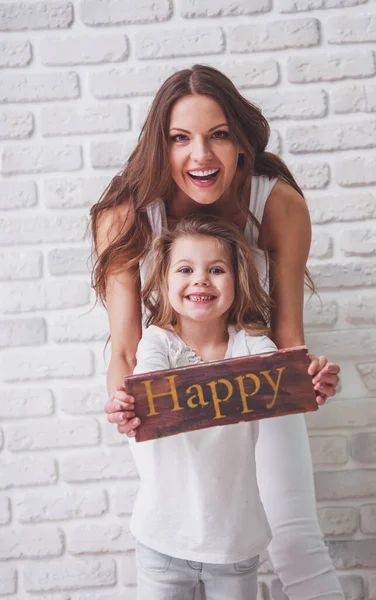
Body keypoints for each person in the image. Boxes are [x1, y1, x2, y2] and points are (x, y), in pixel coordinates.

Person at [90, 64, 342, 599]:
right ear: (161, 146)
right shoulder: (126, 213)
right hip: (164, 374)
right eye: (181, 138)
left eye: (219, 135)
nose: (200, 156)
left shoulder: (277, 204)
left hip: (254, 370)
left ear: (241, 144)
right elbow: (129, 346)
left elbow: (287, 334)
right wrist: (126, 405)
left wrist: (304, 382)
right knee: (182, 525)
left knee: (294, 537)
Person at [128, 214, 342, 600]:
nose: (200, 279)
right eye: (186, 269)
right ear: (165, 281)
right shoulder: (156, 344)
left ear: (236, 280)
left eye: (216, 269)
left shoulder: (251, 344)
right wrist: (126, 407)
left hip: (235, 545)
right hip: (163, 539)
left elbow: (282, 375)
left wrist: (309, 381)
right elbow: (148, 390)